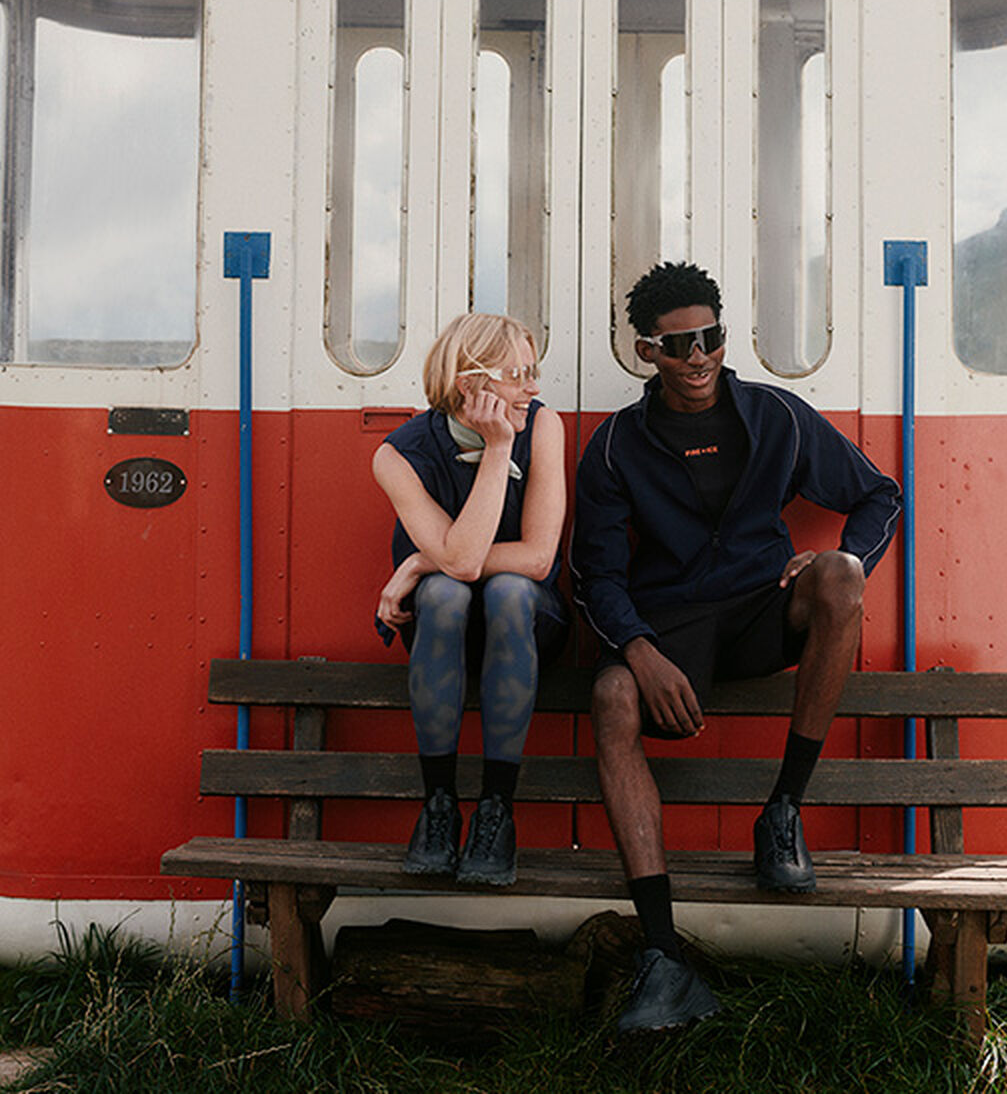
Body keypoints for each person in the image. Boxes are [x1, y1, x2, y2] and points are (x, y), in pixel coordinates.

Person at [571, 262, 902, 1033]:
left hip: (761, 614)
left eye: (711, 337)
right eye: (678, 344)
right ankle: (663, 960)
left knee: (843, 576)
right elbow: (594, 574)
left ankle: (782, 810)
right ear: (647, 352)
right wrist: (640, 651)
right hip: (673, 631)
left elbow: (878, 493)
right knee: (611, 694)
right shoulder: (616, 447)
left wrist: (819, 561)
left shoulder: (778, 418)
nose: (698, 357)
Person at [373, 313, 569, 885]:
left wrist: (412, 560)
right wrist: (495, 449)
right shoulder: (398, 456)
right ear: (470, 384)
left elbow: (537, 559)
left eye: (535, 373)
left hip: (526, 625)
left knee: (507, 588)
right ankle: (438, 808)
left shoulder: (543, 426)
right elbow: (459, 562)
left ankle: (494, 812)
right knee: (443, 594)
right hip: (442, 629)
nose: (532, 388)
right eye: (518, 374)